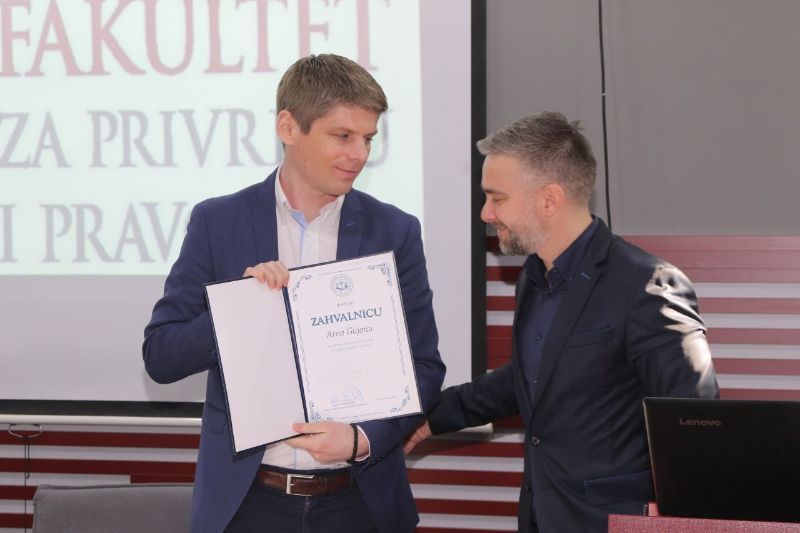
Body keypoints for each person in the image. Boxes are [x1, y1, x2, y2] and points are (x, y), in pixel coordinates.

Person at [143, 54, 445, 533]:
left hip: (359, 504)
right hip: (247, 505)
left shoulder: (395, 230)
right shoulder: (217, 222)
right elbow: (162, 358)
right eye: (342, 136)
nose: (359, 154)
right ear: (288, 126)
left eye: (368, 138)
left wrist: (362, 440)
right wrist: (239, 307)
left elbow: (424, 367)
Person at [403, 111, 719, 533]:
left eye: (497, 198)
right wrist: (430, 417)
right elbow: (530, 379)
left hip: (611, 522)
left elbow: (693, 419)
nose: (486, 213)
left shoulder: (647, 284)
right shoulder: (533, 279)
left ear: (549, 200)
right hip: (542, 517)